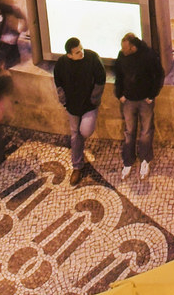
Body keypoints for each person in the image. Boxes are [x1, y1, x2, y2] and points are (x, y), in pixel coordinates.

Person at [53, 36, 106, 183]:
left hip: (89, 105)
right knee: (75, 135)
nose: (81, 53)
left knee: (84, 131)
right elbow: (58, 82)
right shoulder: (62, 64)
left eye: (81, 49)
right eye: (77, 52)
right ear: (69, 55)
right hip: (73, 107)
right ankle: (77, 166)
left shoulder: (92, 58)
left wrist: (94, 99)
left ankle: (79, 151)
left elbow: (101, 78)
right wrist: (63, 99)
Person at [114, 31, 163, 181]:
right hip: (128, 100)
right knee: (129, 131)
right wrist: (120, 94)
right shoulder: (122, 56)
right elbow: (119, 75)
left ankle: (145, 160)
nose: (122, 51)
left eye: (125, 48)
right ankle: (128, 161)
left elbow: (159, 74)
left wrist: (152, 95)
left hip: (144, 100)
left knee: (146, 131)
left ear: (133, 47)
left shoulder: (148, 56)